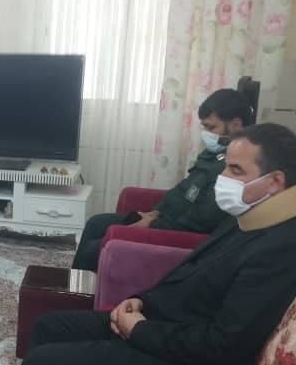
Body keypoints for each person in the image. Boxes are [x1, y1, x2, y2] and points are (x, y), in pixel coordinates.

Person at [17, 123, 296, 365]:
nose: (223, 177)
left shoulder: (286, 248)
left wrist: (139, 330)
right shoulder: (253, 213)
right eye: (226, 167)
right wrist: (141, 301)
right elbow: (189, 272)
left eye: (235, 170)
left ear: (275, 180)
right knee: (47, 326)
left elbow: (222, 345)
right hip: (163, 326)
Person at [71, 89, 254, 271]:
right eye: (204, 127)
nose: (206, 133)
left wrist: (153, 224)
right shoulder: (212, 155)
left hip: (174, 233)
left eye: (211, 127)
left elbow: (201, 221)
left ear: (235, 125)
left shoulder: (232, 170)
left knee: (94, 250)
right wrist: (155, 212)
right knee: (96, 223)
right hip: (163, 219)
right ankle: (74, 283)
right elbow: (182, 190)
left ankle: (83, 287)